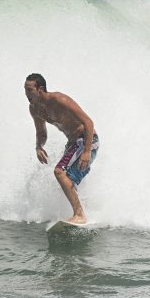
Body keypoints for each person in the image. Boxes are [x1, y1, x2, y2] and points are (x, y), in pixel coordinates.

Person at [25, 73, 99, 224]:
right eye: (25, 90)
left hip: (86, 141)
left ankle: (80, 215)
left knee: (60, 172)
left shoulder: (60, 100)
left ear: (41, 89)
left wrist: (86, 151)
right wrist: (38, 147)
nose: (26, 94)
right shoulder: (35, 109)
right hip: (73, 144)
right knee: (65, 180)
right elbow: (41, 132)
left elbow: (89, 123)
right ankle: (87, 208)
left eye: (30, 90)